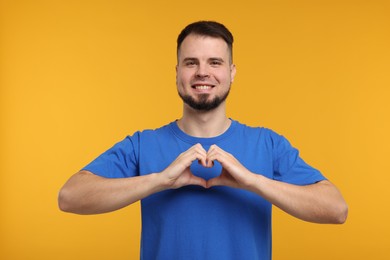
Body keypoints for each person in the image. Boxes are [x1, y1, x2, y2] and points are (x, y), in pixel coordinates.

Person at [58, 21, 348, 260]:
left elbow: (336, 210)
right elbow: (70, 197)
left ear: (232, 73)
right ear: (177, 73)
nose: (202, 72)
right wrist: (159, 180)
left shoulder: (268, 144)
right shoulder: (142, 144)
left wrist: (253, 181)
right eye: (191, 62)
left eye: (215, 62)